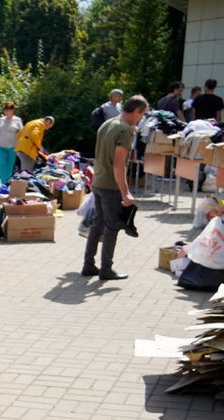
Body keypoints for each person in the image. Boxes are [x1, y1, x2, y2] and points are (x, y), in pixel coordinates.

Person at [82, 95, 149, 282]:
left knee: (97, 224)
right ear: (135, 111)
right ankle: (106, 269)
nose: (141, 119)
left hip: (98, 181)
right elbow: (119, 164)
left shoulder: (108, 123)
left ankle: (88, 265)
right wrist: (125, 192)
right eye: (142, 114)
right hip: (111, 185)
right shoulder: (124, 130)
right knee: (111, 227)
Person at [0, 102, 24, 185]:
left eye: (9, 110)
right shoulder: (1, 120)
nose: (7, 112)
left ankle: (7, 183)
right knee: (3, 165)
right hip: (1, 146)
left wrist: (20, 146)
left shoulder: (18, 120)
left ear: (13, 110)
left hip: (13, 147)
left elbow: (21, 134)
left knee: (10, 167)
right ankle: (3, 184)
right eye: (6, 110)